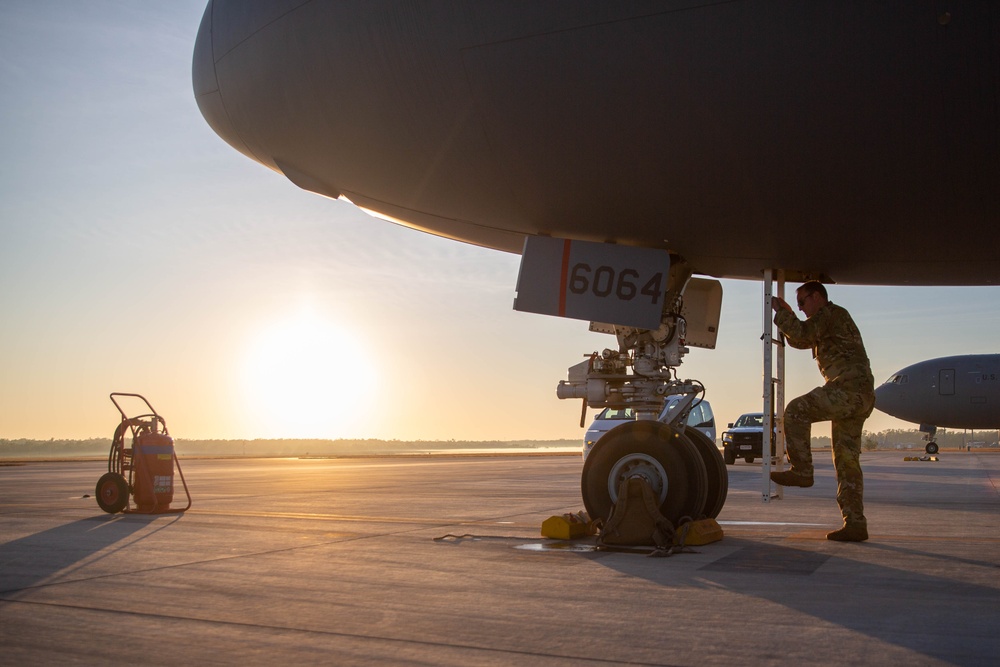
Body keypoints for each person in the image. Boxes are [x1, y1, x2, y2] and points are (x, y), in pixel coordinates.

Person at [770, 281, 875, 542]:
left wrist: (782, 313)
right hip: (858, 395)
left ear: (817, 297)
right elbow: (801, 341)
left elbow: (803, 334)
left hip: (848, 389)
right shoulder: (829, 320)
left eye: (803, 303)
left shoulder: (830, 313)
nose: (802, 309)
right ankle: (855, 523)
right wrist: (788, 318)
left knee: (796, 411)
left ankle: (803, 470)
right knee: (847, 461)